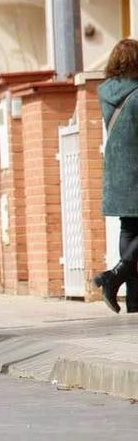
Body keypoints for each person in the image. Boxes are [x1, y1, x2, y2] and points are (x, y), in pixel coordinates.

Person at [94, 38, 138, 313]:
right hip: (136, 166)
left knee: (130, 228)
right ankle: (114, 275)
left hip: (117, 170)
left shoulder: (104, 92)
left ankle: (134, 299)